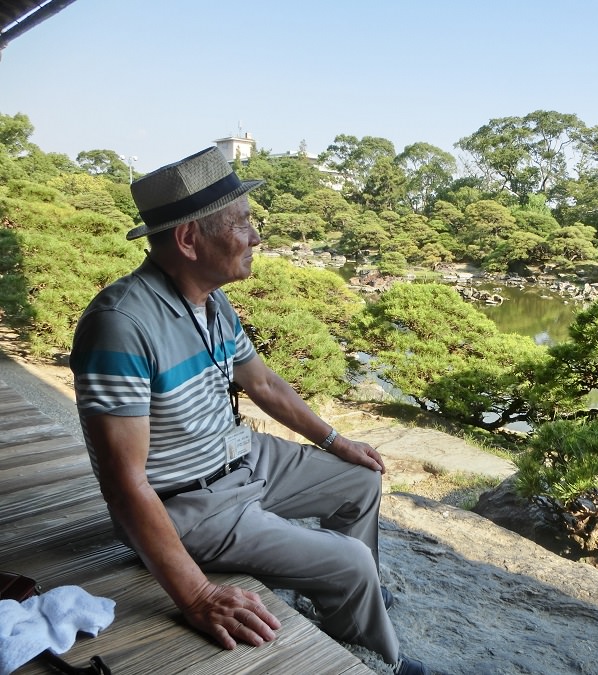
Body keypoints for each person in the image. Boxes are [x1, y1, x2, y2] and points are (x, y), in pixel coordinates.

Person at [70, 147, 431, 675]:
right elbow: (126, 485)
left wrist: (336, 441)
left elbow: (260, 381)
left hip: (240, 461)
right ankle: (380, 658)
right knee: (349, 559)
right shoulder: (121, 325)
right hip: (189, 502)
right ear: (189, 239)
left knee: (360, 479)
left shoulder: (213, 302)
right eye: (241, 223)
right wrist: (197, 596)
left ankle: (347, 602)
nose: (256, 237)